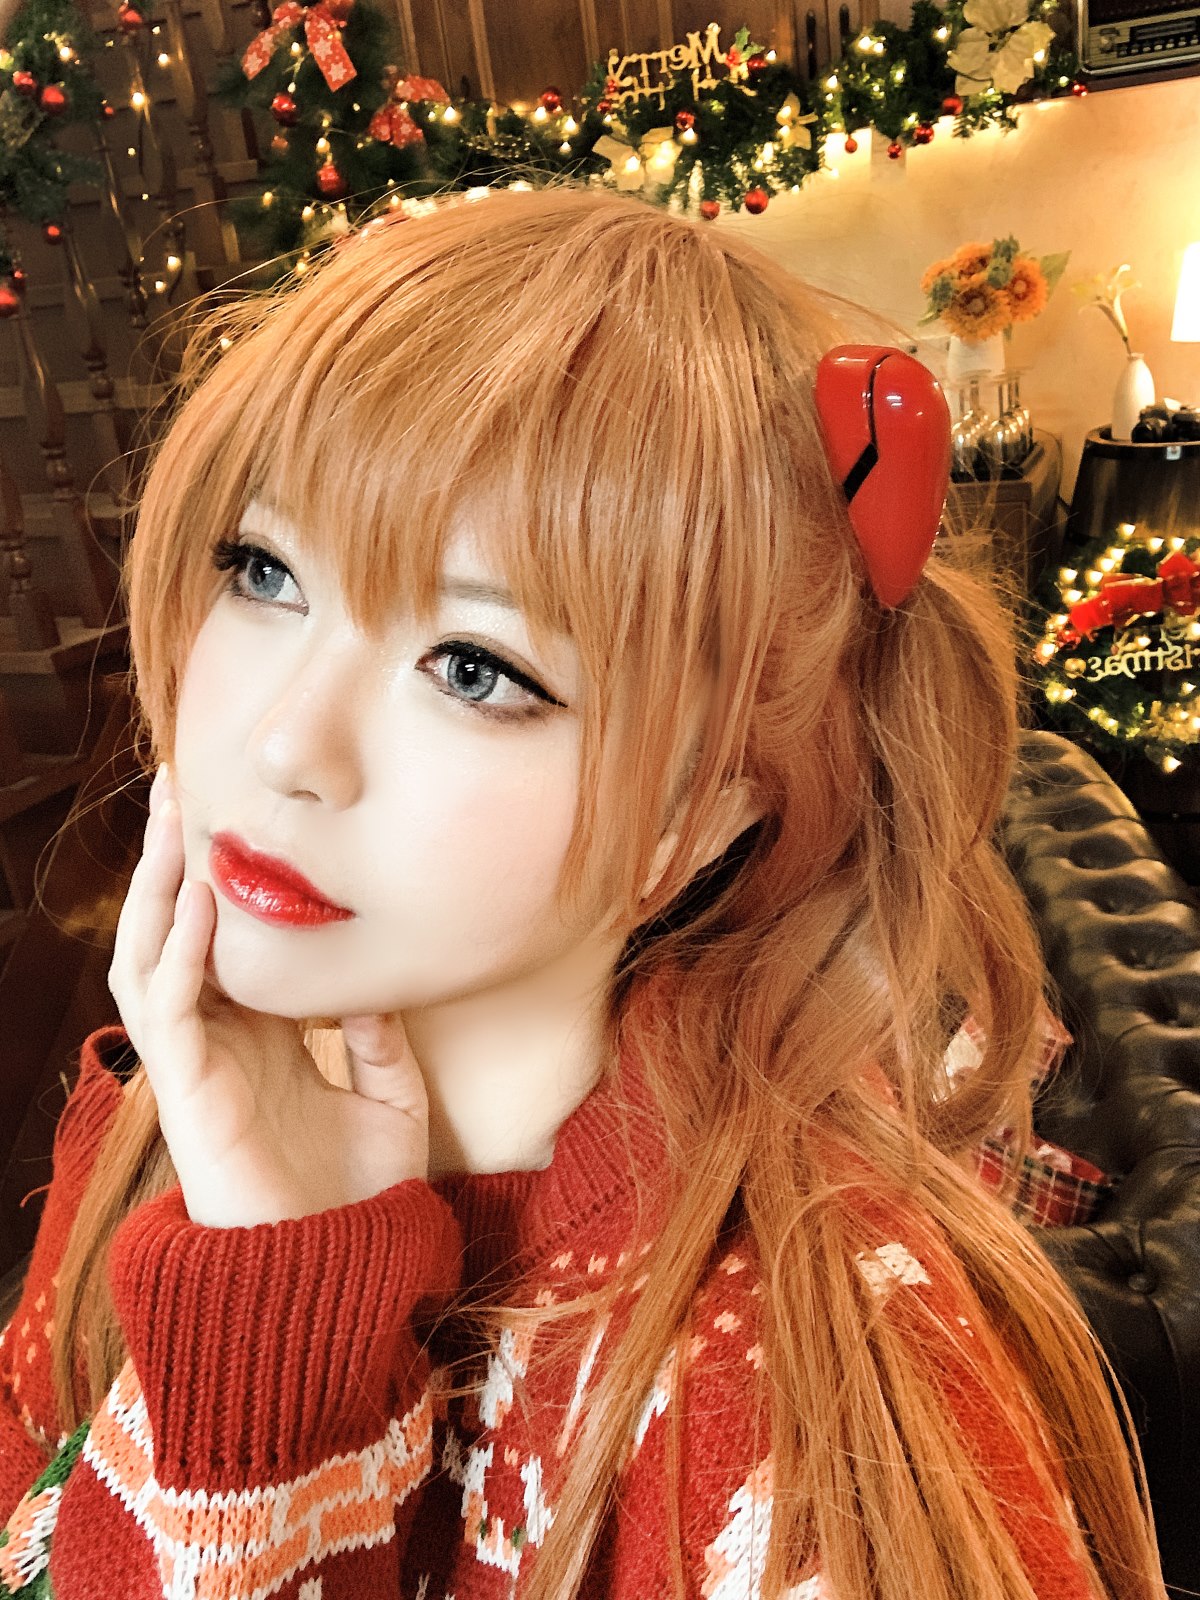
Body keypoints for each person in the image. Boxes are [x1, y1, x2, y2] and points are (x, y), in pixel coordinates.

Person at [0, 184, 1165, 1600]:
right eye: (263, 570)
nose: (284, 744)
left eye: (474, 668)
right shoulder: (163, 1109)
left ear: (705, 811)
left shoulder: (804, 1429)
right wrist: (258, 1276)